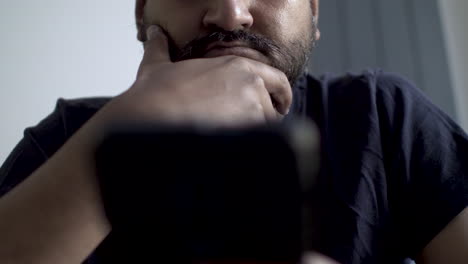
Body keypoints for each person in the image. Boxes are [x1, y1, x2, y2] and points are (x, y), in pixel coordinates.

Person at [0, 0, 467, 263]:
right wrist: (143, 116)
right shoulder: (64, 137)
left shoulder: (385, 114)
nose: (230, 14)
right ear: (142, 15)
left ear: (314, 12)